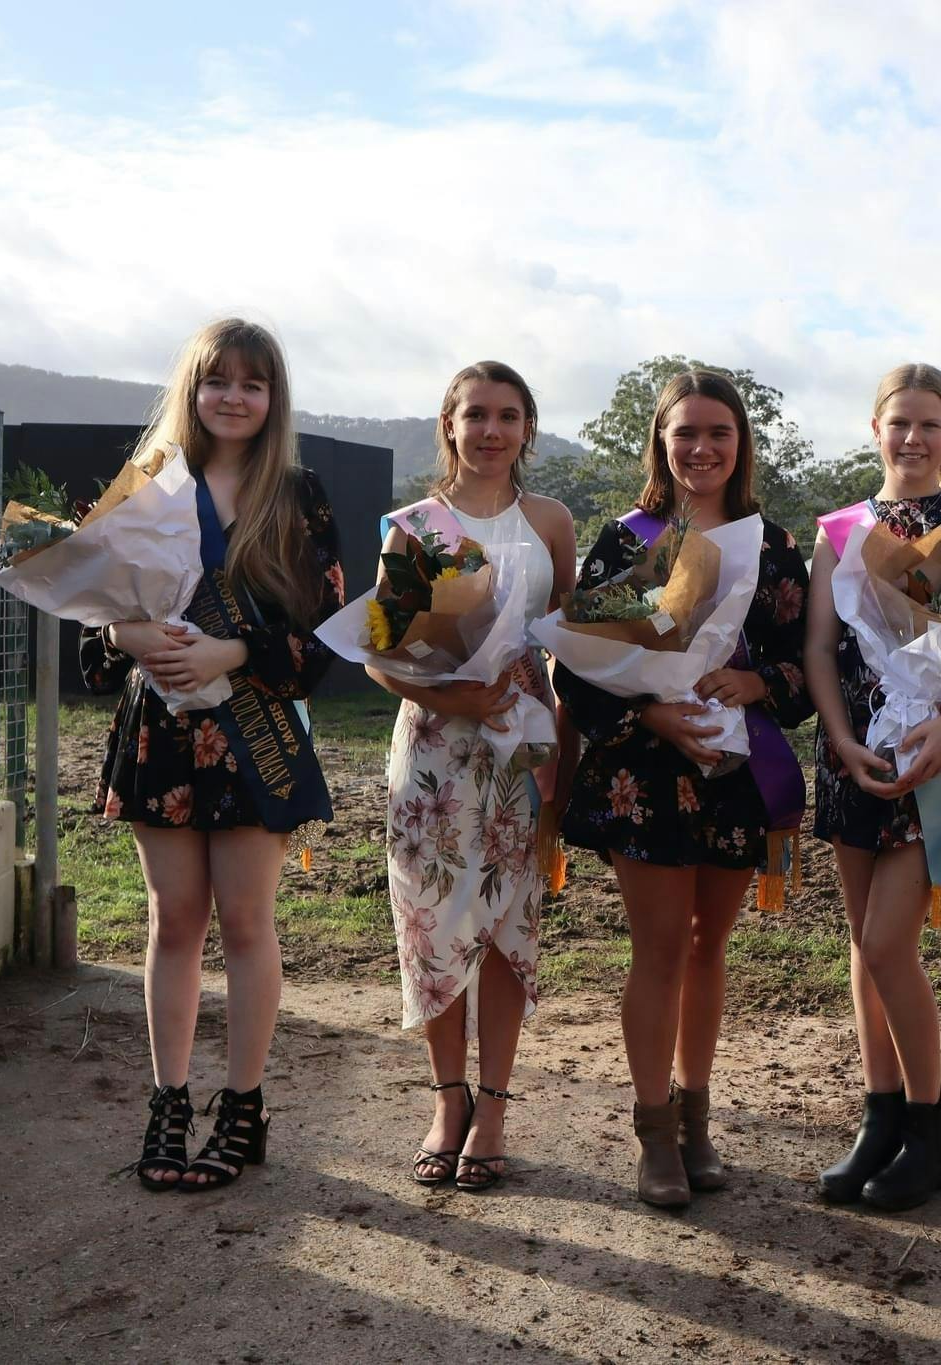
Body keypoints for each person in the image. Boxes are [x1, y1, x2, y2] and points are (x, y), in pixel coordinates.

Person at [83, 317, 343, 1191]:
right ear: (192, 389)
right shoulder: (149, 482)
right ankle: (167, 1103)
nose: (233, 396)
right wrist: (127, 630)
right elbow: (92, 626)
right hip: (161, 732)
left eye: (252, 383)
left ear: (274, 399)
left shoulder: (298, 495)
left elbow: (328, 639)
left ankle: (242, 1107)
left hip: (253, 734)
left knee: (244, 923)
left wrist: (235, 652)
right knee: (174, 922)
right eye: (218, 380)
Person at [553, 369, 812, 1209]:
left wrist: (758, 683)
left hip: (736, 772)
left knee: (710, 949)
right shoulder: (629, 540)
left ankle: (700, 1119)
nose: (701, 448)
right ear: (661, 442)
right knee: (660, 950)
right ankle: (654, 1127)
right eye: (685, 433)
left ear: (742, 445)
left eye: (719, 434)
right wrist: (655, 714)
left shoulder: (772, 547)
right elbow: (578, 668)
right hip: (649, 775)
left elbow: (807, 667)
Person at [805, 363, 941, 1213]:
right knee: (864, 946)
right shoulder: (841, 530)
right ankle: (879, 1118)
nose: (914, 439)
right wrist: (844, 741)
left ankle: (930, 1130)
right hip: (855, 754)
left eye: (930, 424)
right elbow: (820, 646)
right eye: (900, 424)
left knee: (889, 943)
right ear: (876, 428)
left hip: (933, 758)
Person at [369, 362, 574, 1193]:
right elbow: (381, 656)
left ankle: (493, 1109)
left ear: (527, 428)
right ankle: (446, 1101)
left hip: (523, 743)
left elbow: (567, 642)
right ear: (448, 424)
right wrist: (451, 691)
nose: (492, 430)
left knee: (504, 928)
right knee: (433, 926)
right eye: (476, 415)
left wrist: (562, 744)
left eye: (509, 416)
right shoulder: (414, 526)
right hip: (435, 752)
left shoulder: (551, 520)